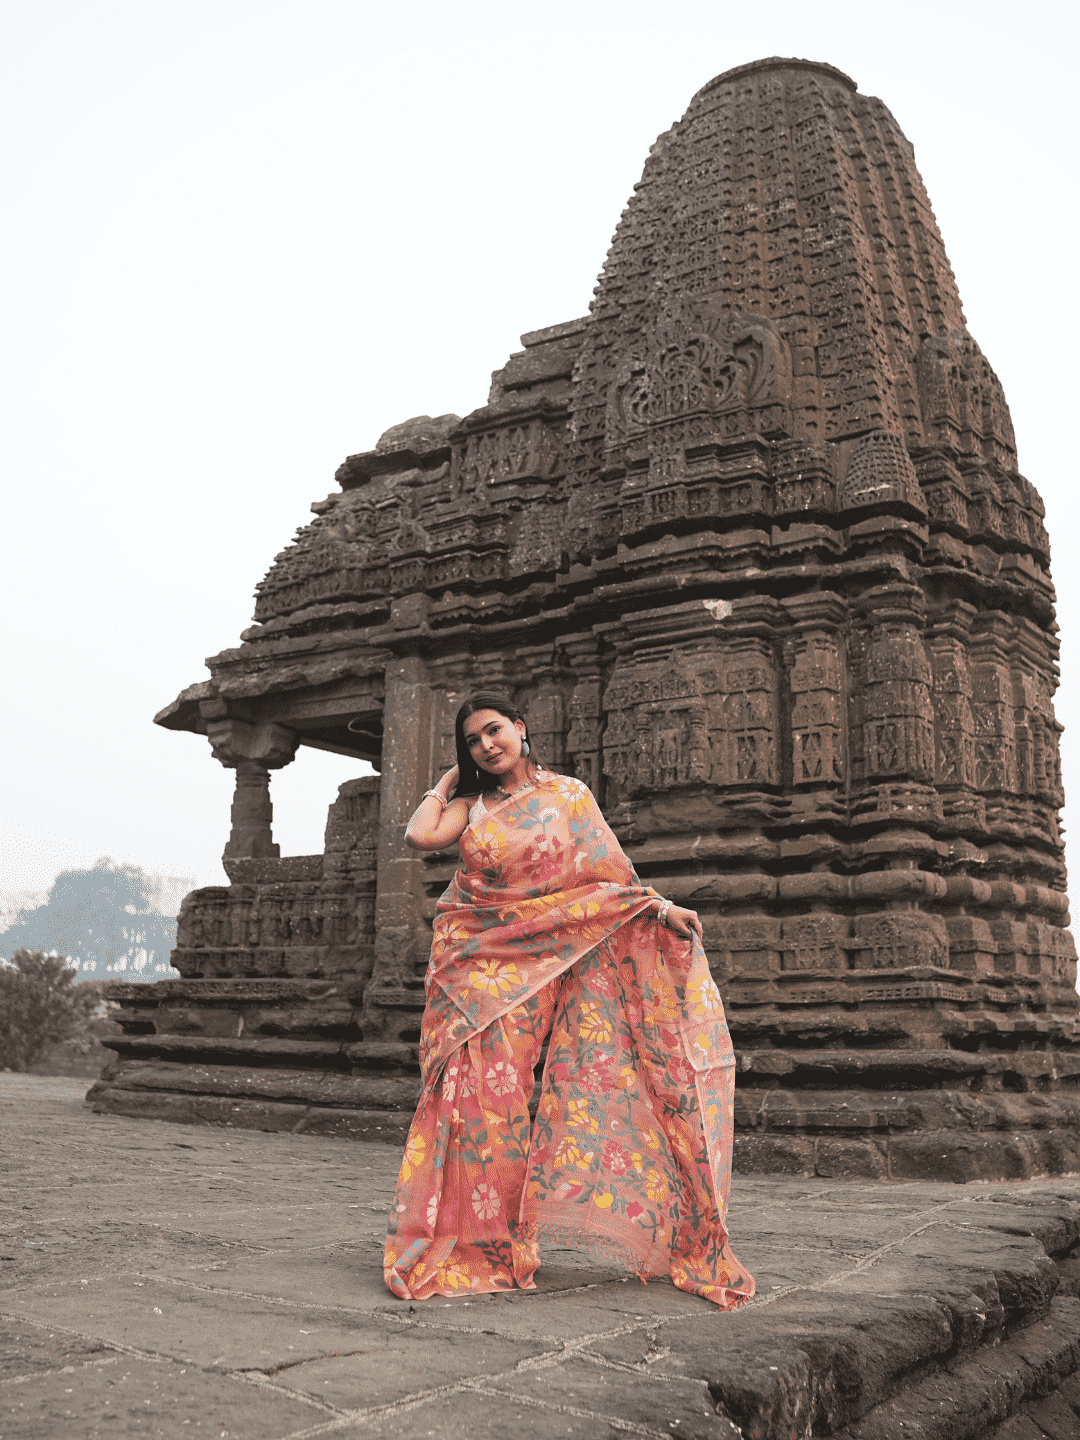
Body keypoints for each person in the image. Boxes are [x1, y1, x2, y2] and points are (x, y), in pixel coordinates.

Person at [382, 692, 754, 1309]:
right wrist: (451, 778)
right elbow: (421, 835)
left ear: (521, 728)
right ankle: (472, 1243)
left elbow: (609, 878)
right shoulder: (470, 806)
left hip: (544, 959)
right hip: (473, 966)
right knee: (475, 1100)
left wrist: (656, 908)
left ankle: (500, 1240)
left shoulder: (568, 797)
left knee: (509, 1097)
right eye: (473, 740)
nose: (486, 746)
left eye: (494, 731)